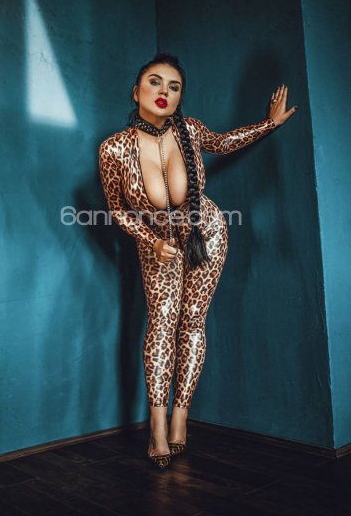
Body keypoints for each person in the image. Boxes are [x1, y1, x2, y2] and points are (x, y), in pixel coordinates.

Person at [98, 52, 298, 469]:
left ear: (179, 98)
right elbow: (117, 209)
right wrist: (151, 241)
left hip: (208, 233)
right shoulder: (113, 149)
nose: (164, 92)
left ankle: (180, 418)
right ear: (136, 92)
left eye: (173, 87)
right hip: (159, 243)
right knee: (162, 323)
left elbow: (222, 143)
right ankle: (156, 426)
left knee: (192, 320)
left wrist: (269, 124)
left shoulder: (189, 129)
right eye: (155, 82)